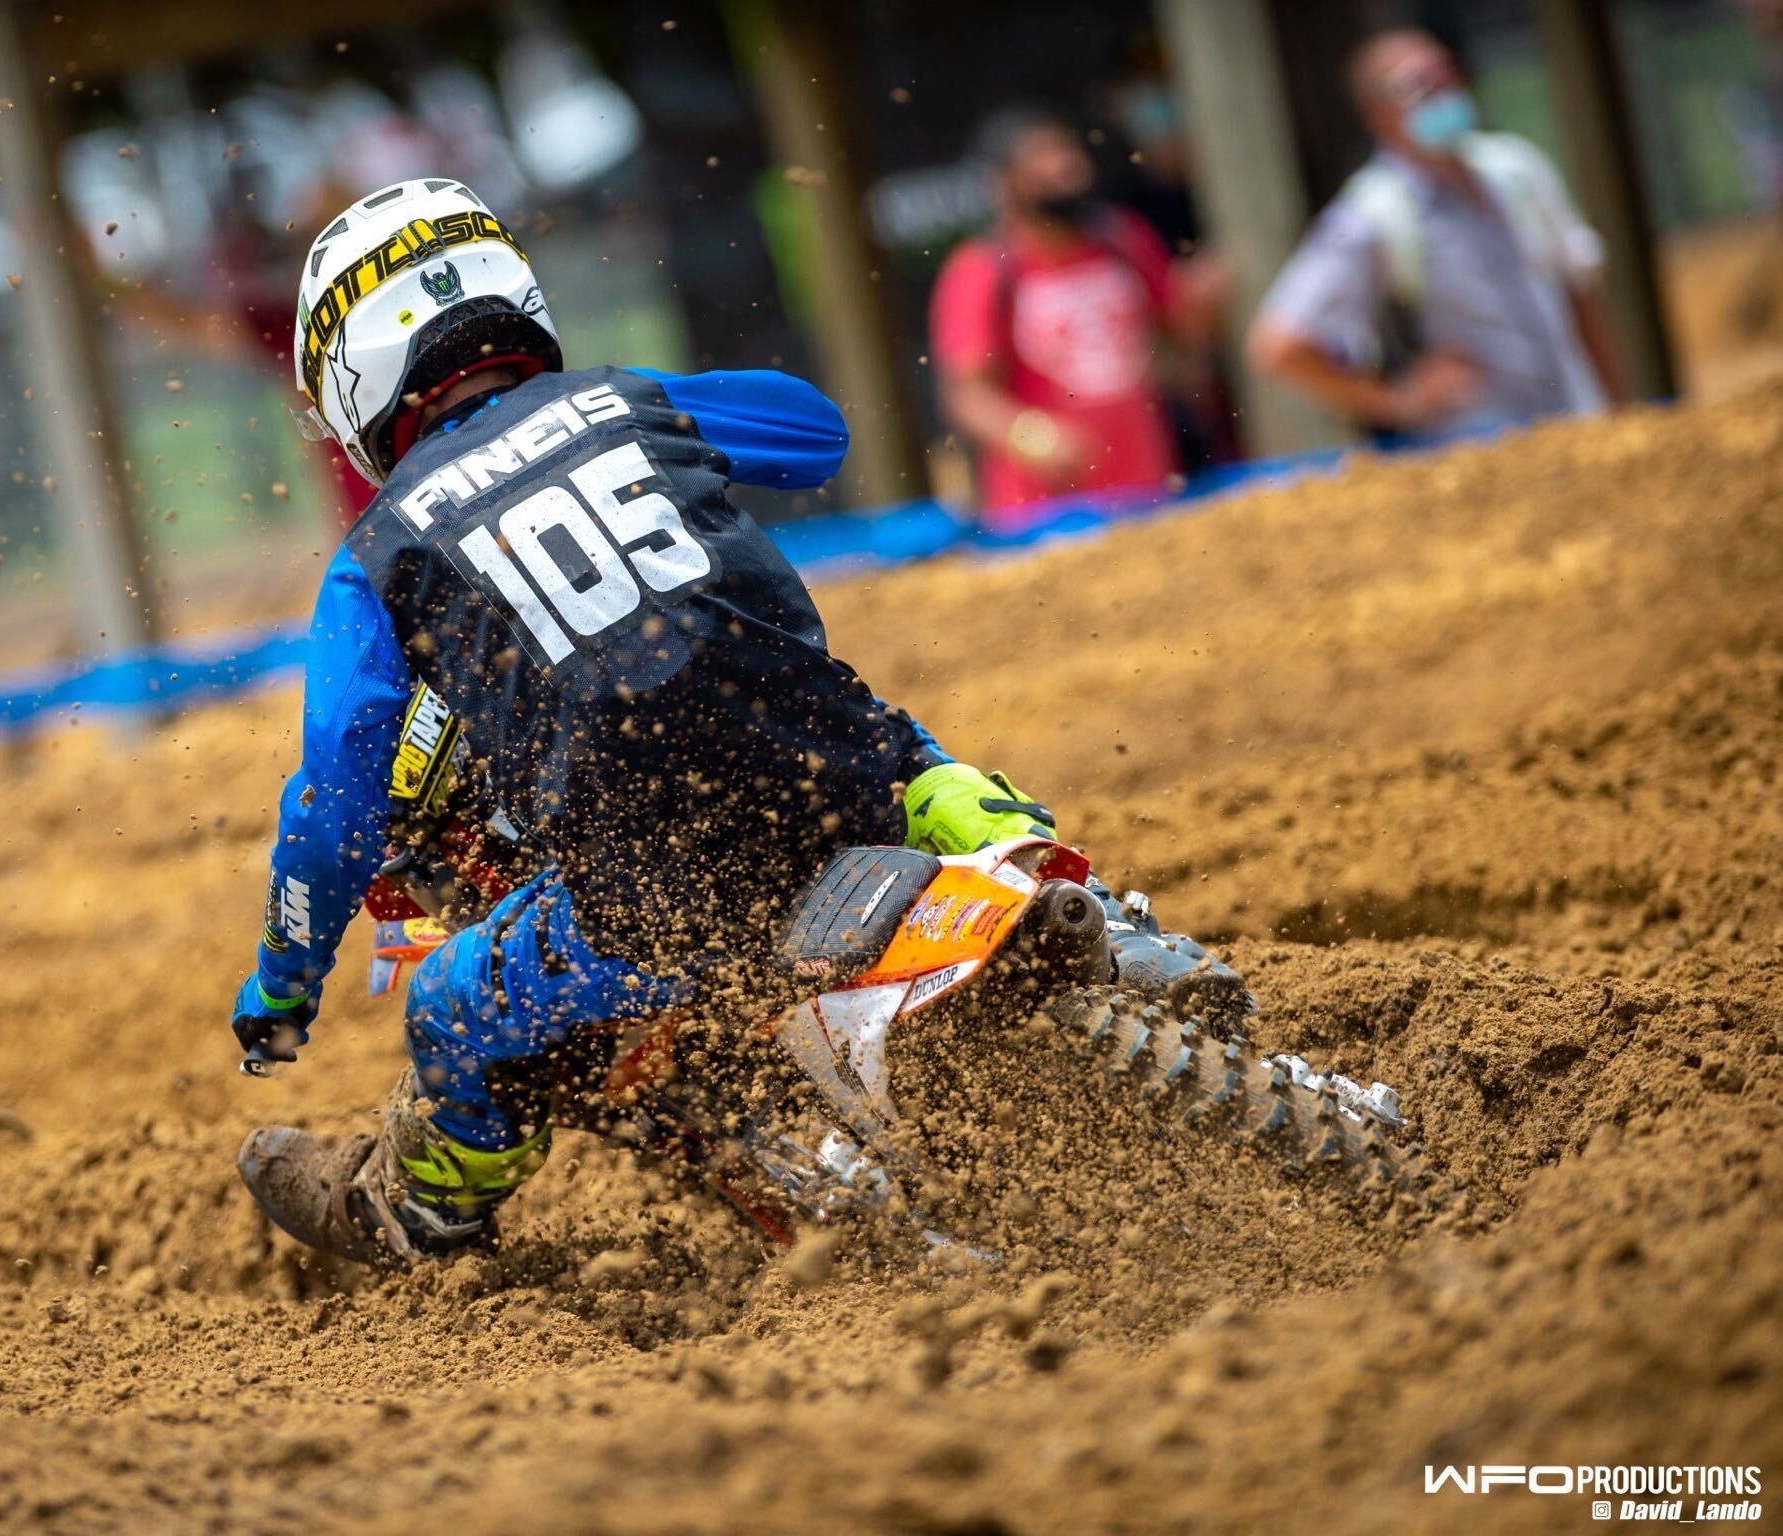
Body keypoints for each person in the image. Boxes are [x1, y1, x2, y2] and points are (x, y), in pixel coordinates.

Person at [228, 179, 1247, 1267]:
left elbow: (331, 809)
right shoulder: (627, 403)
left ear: (351, 376)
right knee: (909, 756)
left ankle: (422, 1213)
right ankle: (1094, 912)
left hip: (651, 905)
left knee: (443, 1003)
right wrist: (648, 407)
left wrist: (282, 986)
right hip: (832, 787)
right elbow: (813, 436)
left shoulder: (373, 559)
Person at [1246, 28, 1625, 442]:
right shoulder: (1372, 214)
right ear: (1378, 114)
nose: (1444, 92)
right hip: (1482, 454)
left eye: (1447, 75)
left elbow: (1578, 292)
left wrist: (1622, 411)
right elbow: (1278, 346)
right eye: (1420, 85)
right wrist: (1400, 402)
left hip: (1581, 426)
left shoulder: (1517, 169)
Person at [928, 108, 1205, 532]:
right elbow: (966, 396)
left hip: (1148, 493)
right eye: (1041, 156)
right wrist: (1032, 438)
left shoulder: (1124, 240)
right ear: (1004, 183)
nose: (1064, 165)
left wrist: (1201, 304)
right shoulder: (983, 268)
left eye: (1067, 150)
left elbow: (1177, 336)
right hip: (1041, 517)